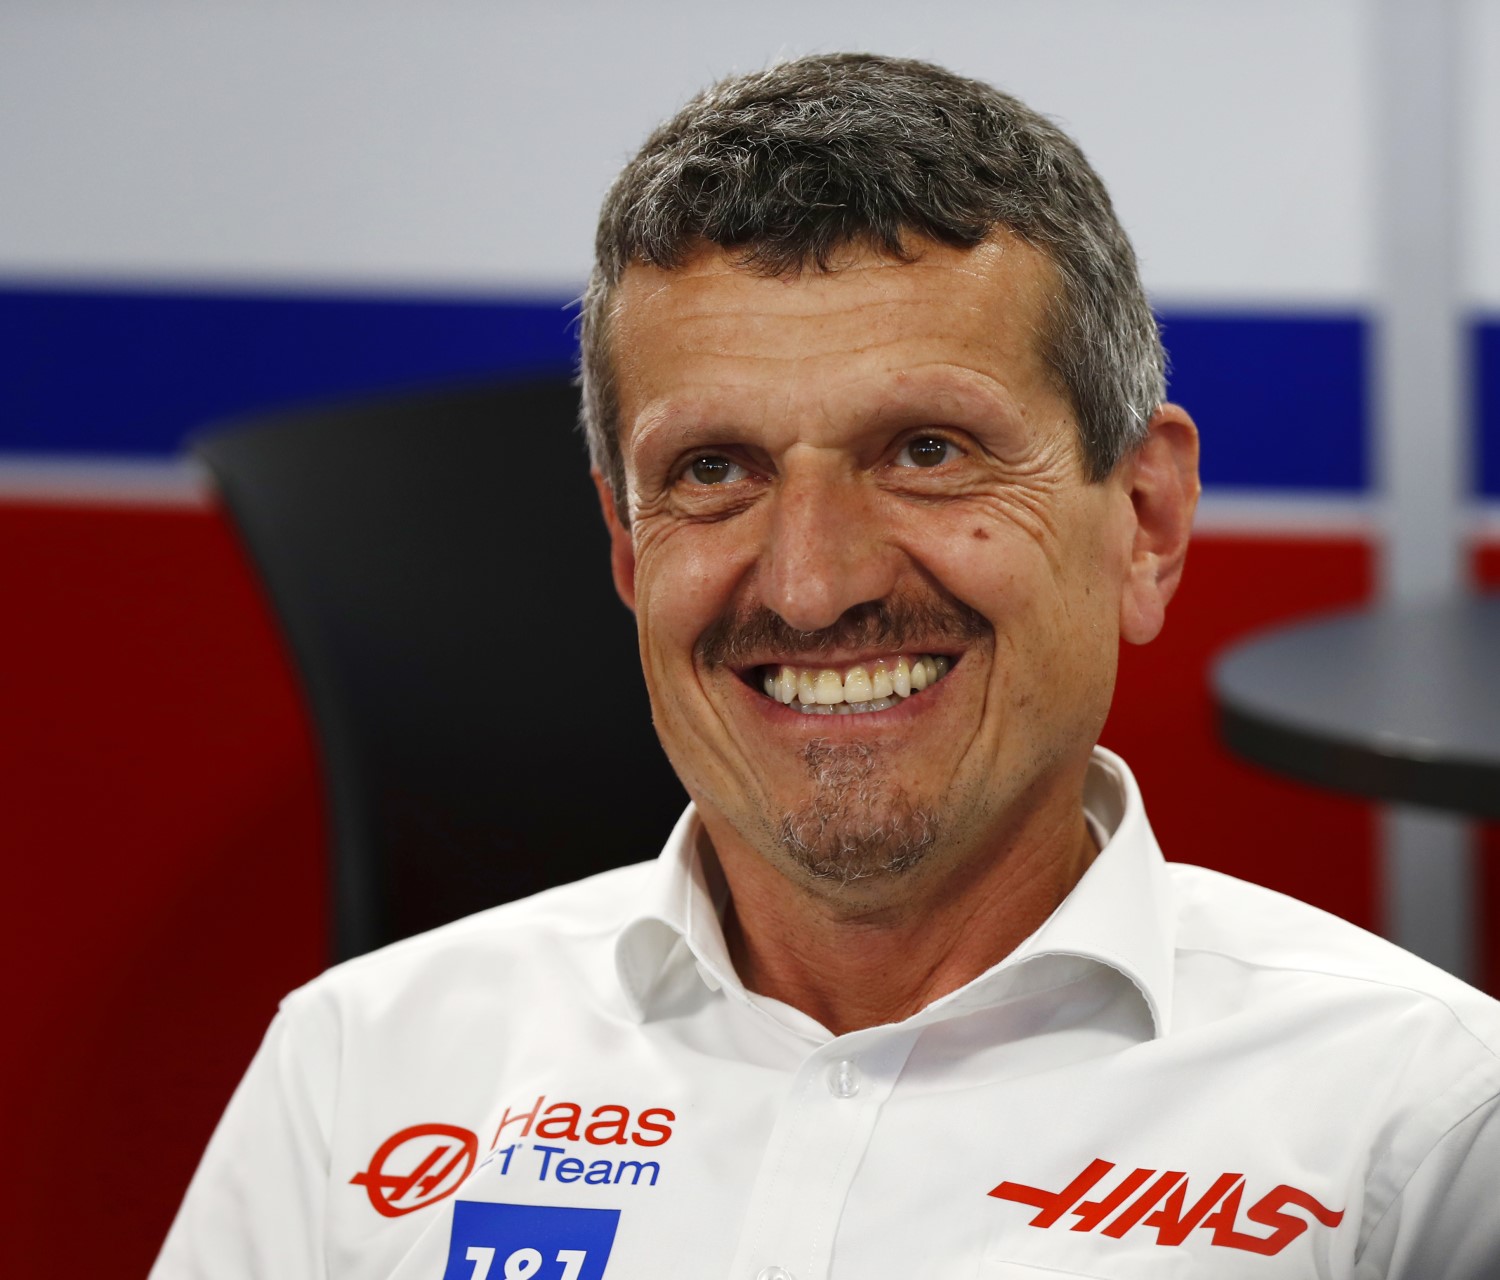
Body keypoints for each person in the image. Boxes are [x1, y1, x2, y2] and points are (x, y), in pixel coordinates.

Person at [153, 53, 1500, 1279]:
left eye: (927, 450)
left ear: (1143, 524)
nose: (810, 583)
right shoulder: (359, 1075)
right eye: (715, 472)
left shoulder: (1426, 1127)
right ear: (627, 551)